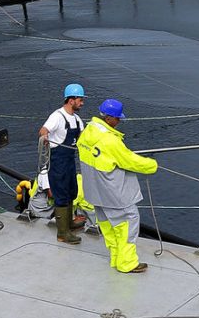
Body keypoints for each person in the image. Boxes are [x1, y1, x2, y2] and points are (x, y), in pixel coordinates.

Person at [77, 97, 157, 275]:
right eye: (118, 118)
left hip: (96, 194)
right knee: (127, 227)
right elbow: (130, 161)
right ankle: (127, 263)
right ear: (108, 119)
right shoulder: (110, 141)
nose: (119, 121)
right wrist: (152, 165)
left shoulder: (88, 132)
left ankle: (116, 257)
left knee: (109, 228)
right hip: (115, 195)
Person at [39, 83, 88, 245]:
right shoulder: (57, 116)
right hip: (58, 163)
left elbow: (83, 137)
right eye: (80, 99)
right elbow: (43, 130)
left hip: (70, 162)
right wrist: (45, 137)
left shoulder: (76, 119)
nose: (82, 103)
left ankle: (69, 223)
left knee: (71, 192)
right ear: (71, 100)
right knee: (61, 195)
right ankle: (62, 233)